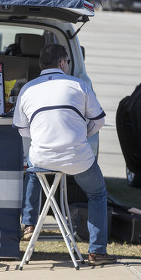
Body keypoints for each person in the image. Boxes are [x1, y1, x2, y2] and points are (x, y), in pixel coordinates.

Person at [12, 44, 117, 266]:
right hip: (77, 157)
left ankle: (29, 224)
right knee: (97, 194)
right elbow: (99, 121)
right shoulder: (80, 85)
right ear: (62, 63)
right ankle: (97, 252)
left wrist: (43, 136)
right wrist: (82, 134)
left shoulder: (27, 89)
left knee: (32, 170)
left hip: (42, 158)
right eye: (68, 62)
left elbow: (21, 129)